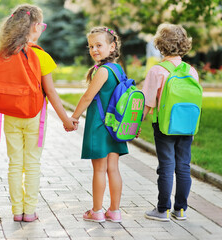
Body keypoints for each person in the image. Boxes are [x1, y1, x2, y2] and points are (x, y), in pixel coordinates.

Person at [0, 4, 77, 222]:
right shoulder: (40, 56)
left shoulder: (4, 54)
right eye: (43, 25)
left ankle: (16, 211)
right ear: (36, 27)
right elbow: (52, 94)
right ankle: (30, 212)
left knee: (15, 163)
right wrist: (66, 120)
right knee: (32, 163)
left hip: (10, 115)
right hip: (34, 117)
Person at [142, 23, 199, 221]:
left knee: (166, 166)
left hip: (164, 126)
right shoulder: (191, 71)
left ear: (160, 45)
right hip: (187, 126)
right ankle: (180, 209)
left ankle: (162, 209)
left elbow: (147, 102)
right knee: (183, 166)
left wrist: (135, 124)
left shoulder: (157, 71)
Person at [71, 27, 128, 223]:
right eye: (91, 46)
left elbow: (88, 97)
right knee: (113, 169)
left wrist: (74, 117)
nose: (94, 49)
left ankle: (96, 211)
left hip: (99, 126)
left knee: (99, 170)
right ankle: (115, 211)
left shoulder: (103, 71)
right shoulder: (118, 69)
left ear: (112, 47)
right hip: (114, 127)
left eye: (99, 45)